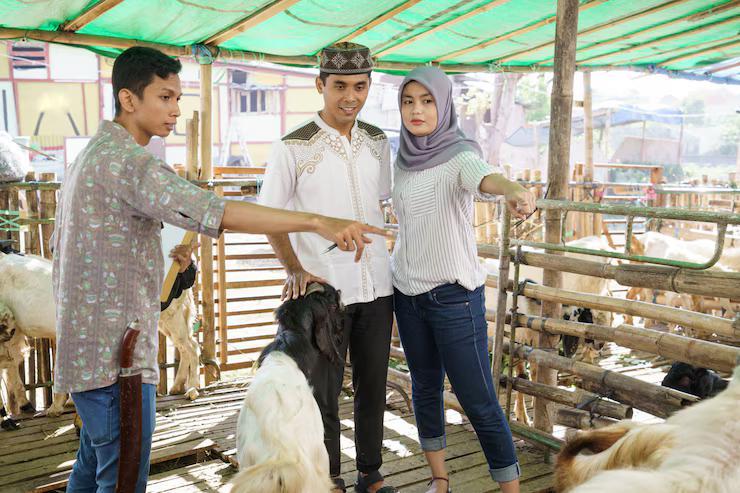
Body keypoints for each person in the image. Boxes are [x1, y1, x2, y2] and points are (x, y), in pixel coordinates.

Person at [53, 46, 387, 493]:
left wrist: (165, 260)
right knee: (121, 479)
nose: (175, 110)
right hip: (118, 357)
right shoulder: (127, 161)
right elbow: (216, 211)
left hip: (91, 350)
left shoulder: (92, 156)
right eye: (165, 97)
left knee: (92, 470)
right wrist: (316, 220)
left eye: (178, 98)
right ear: (129, 100)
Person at [258, 42, 396, 493]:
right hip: (322, 293)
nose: (350, 97)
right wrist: (294, 268)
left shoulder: (378, 142)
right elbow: (270, 216)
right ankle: (329, 477)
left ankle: (370, 475)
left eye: (360, 86)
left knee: (373, 385)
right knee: (323, 394)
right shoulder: (292, 147)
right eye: (339, 86)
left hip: (376, 284)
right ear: (320, 85)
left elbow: (383, 202)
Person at [390, 66, 535, 493]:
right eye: (408, 101)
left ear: (445, 104)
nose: (417, 110)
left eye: (427, 101)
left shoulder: (459, 154)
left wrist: (512, 189)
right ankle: (440, 479)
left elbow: (484, 177)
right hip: (406, 292)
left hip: (453, 297)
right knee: (425, 389)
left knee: (478, 402)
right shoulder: (400, 159)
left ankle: (510, 488)